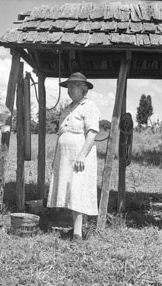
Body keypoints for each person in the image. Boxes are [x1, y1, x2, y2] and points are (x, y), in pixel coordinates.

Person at [47, 72, 100, 241]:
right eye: (68, 87)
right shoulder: (68, 108)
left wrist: (82, 155)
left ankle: (77, 234)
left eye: (73, 86)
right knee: (69, 190)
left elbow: (92, 133)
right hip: (65, 157)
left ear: (83, 88)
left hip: (79, 155)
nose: (70, 90)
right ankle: (74, 229)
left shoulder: (89, 106)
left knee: (78, 190)